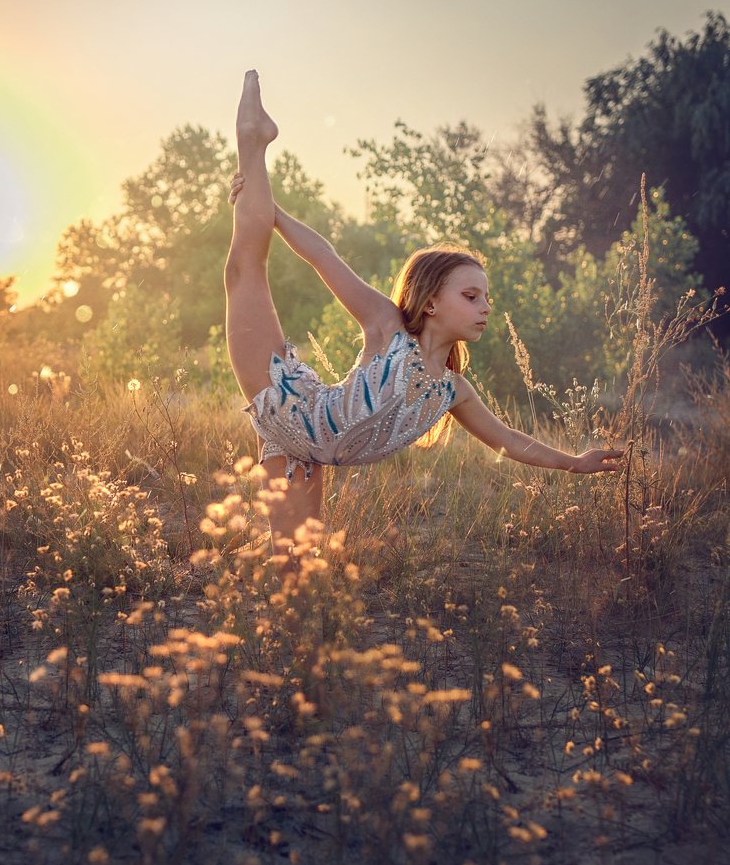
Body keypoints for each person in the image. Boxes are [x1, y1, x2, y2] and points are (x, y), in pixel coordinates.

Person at [224, 70, 622, 539]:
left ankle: (254, 167)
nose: (485, 308)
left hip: (308, 452)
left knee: (295, 569)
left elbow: (512, 442)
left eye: (486, 299)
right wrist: (269, 211)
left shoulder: (453, 392)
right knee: (243, 270)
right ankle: (253, 143)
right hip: (290, 407)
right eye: (471, 296)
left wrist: (575, 463)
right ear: (430, 302)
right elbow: (324, 257)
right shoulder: (389, 327)